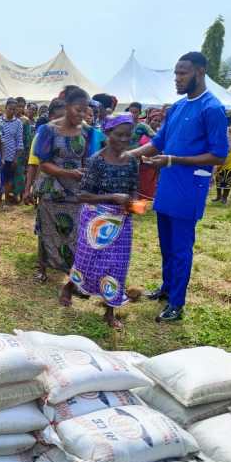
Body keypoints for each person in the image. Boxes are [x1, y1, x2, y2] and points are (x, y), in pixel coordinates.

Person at [124, 52, 227, 322]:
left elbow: (220, 155)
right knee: (167, 244)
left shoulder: (212, 109)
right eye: (176, 73)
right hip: (167, 186)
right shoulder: (178, 107)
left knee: (181, 248)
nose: (177, 79)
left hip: (189, 187)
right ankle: (167, 288)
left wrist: (174, 159)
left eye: (182, 73)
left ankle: (177, 304)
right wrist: (129, 155)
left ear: (200, 72)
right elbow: (158, 142)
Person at [60, 113, 139, 328]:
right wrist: (112, 198)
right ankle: (69, 287)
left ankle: (109, 311)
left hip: (121, 220)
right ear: (107, 133)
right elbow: (83, 195)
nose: (124, 140)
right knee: (87, 261)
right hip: (95, 219)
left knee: (117, 264)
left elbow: (133, 188)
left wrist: (133, 202)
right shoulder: (96, 161)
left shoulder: (132, 161)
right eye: (119, 135)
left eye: (128, 136)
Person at [32, 88, 91, 285]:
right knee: (47, 229)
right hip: (52, 187)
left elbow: (86, 159)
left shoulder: (87, 131)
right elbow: (43, 162)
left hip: (76, 189)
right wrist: (67, 173)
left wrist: (84, 176)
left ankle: (71, 270)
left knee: (74, 231)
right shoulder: (49, 130)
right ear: (66, 107)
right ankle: (42, 267)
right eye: (78, 109)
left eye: (85, 111)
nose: (82, 115)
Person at [0, 98, 24, 204]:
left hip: (12, 154)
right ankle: (3, 198)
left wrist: (16, 158)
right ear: (5, 108)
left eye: (14, 109)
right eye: (10, 109)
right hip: (0, 154)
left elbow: (19, 141)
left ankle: (8, 198)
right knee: (2, 177)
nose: (12, 111)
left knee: (10, 177)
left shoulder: (18, 123)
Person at [137, 108, 163, 199]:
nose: (157, 123)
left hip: (153, 165)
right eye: (155, 120)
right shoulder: (143, 133)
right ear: (149, 120)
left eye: (159, 121)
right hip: (142, 164)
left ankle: (148, 199)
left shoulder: (160, 135)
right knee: (141, 182)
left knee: (151, 183)